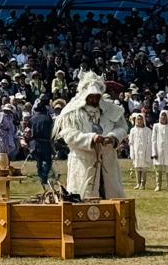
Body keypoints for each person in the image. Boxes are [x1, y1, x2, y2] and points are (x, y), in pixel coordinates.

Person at [50, 72, 128, 201]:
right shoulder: (73, 112)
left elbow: (122, 127)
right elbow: (68, 134)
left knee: (111, 201)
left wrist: (112, 137)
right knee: (84, 203)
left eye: (97, 96)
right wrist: (90, 139)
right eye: (91, 96)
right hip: (84, 163)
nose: (94, 99)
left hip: (107, 162)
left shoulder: (110, 109)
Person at [28, 99, 54, 186]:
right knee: (47, 161)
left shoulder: (32, 119)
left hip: (34, 143)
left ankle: (41, 175)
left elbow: (28, 131)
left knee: (39, 161)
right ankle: (44, 176)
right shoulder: (48, 118)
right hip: (45, 143)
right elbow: (51, 131)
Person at [152, 109, 168, 193]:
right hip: (158, 150)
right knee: (158, 169)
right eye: (162, 115)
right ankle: (158, 185)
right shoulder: (156, 126)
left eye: (165, 115)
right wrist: (154, 152)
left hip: (167, 151)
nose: (163, 117)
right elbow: (154, 140)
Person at [128, 112, 153, 191]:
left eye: (141, 119)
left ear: (143, 120)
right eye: (138, 119)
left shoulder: (148, 130)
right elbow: (131, 142)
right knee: (137, 167)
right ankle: (138, 183)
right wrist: (132, 152)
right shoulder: (133, 130)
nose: (139, 121)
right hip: (136, 150)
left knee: (143, 167)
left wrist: (148, 152)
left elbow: (150, 142)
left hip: (145, 150)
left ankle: (143, 184)